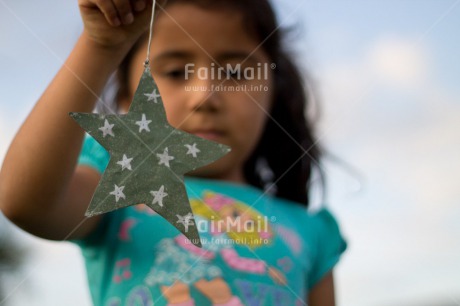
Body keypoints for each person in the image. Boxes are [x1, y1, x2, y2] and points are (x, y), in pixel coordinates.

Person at [0, 0, 347, 305]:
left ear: (273, 91)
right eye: (177, 72)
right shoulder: (116, 187)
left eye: (236, 73)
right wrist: (101, 46)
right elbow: (25, 203)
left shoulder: (311, 232)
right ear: (127, 98)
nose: (204, 97)